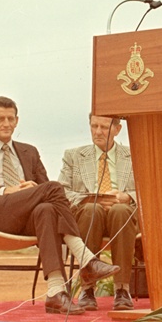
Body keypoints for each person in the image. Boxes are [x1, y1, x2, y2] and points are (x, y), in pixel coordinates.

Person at [0, 96, 120, 315]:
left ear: (17, 121)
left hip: (27, 217)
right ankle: (85, 258)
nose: (6, 124)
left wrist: (33, 188)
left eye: (11, 119)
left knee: (47, 208)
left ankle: (55, 292)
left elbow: (48, 191)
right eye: (0, 119)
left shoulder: (29, 151)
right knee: (52, 188)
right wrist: (5, 190)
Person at [58, 115, 139, 311]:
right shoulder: (74, 156)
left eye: (104, 127)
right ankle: (87, 289)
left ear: (118, 130)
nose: (98, 131)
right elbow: (61, 191)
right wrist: (91, 198)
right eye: (94, 126)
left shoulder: (134, 155)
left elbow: (148, 188)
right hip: (88, 211)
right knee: (91, 209)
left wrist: (126, 197)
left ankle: (122, 289)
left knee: (120, 211)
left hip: (120, 212)